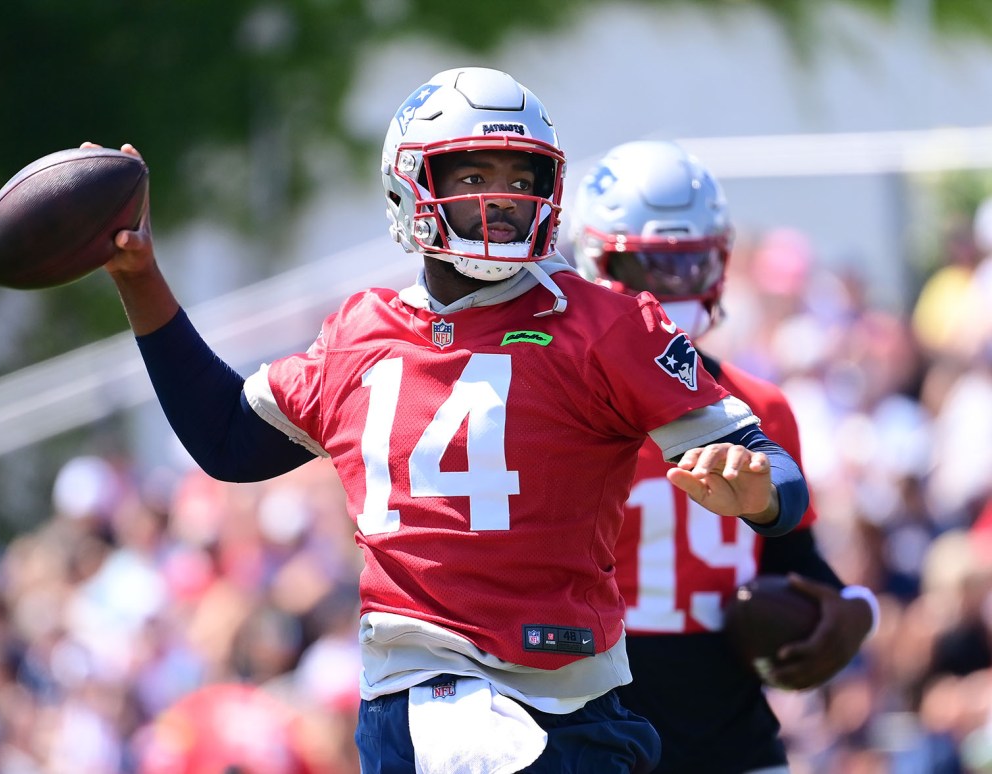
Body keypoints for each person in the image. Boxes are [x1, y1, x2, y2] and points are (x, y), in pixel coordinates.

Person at [94, 67, 810, 773]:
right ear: (410, 185)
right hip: (425, 700)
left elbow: (773, 469)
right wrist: (140, 277)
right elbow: (227, 440)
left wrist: (761, 491)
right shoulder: (359, 334)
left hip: (571, 697)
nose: (500, 200)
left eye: (520, 178)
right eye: (472, 178)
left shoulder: (606, 325)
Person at [569, 139, 879, 774]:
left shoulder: (758, 406)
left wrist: (853, 610)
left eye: (689, 265)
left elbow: (794, 559)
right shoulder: (565, 410)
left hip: (729, 727)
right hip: (598, 725)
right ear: (599, 263)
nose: (670, 287)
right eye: (649, 267)